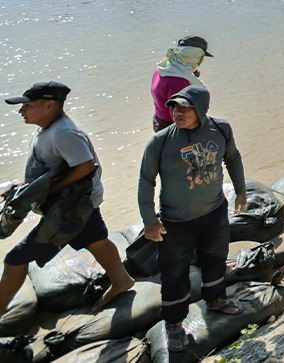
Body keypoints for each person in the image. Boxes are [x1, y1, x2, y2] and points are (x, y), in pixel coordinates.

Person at [0, 81, 135, 315]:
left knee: (16, 258)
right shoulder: (49, 128)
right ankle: (121, 279)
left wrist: (48, 191)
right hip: (76, 203)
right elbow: (52, 169)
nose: (21, 111)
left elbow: (85, 165)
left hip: (71, 207)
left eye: (28, 106)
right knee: (95, 238)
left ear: (50, 105)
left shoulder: (64, 133)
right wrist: (21, 186)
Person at [138, 84, 247, 352]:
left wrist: (241, 192)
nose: (177, 112)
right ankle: (174, 325)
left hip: (214, 212)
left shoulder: (221, 129)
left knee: (216, 259)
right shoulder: (160, 141)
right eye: (174, 107)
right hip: (176, 222)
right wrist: (149, 220)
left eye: (185, 107)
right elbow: (146, 180)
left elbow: (233, 158)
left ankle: (216, 300)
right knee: (174, 274)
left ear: (201, 109)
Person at [151, 36, 213, 132]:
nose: (200, 62)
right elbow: (178, 116)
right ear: (192, 56)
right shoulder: (179, 81)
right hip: (170, 127)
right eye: (200, 57)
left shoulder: (162, 68)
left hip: (158, 120)